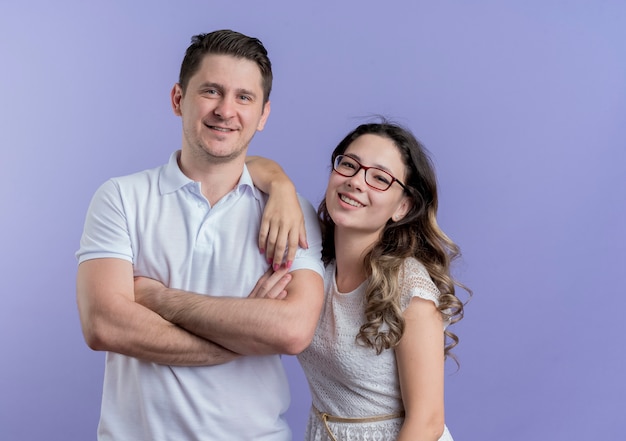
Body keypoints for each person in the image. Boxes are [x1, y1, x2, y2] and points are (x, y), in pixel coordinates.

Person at [75, 29, 324, 441]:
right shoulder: (121, 197)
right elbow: (104, 325)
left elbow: (291, 331)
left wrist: (158, 299)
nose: (226, 110)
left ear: (263, 115)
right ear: (178, 99)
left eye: (244, 97)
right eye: (211, 91)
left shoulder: (290, 213)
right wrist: (243, 334)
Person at [247, 121, 470, 441]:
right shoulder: (314, 267)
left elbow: (428, 422)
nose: (356, 182)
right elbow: (242, 164)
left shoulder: (408, 283)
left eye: (379, 178)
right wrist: (281, 186)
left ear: (402, 207)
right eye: (349, 165)